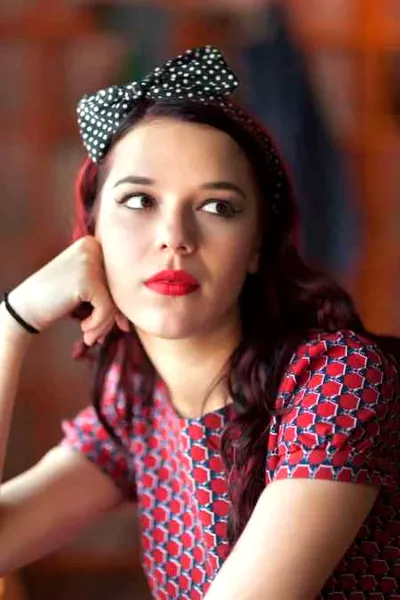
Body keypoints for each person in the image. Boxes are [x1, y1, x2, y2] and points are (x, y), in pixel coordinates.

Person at [0, 46, 399, 600]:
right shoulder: (136, 402)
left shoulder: (337, 380)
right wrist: (13, 320)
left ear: (256, 245)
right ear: (92, 234)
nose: (175, 237)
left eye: (217, 207)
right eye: (139, 200)